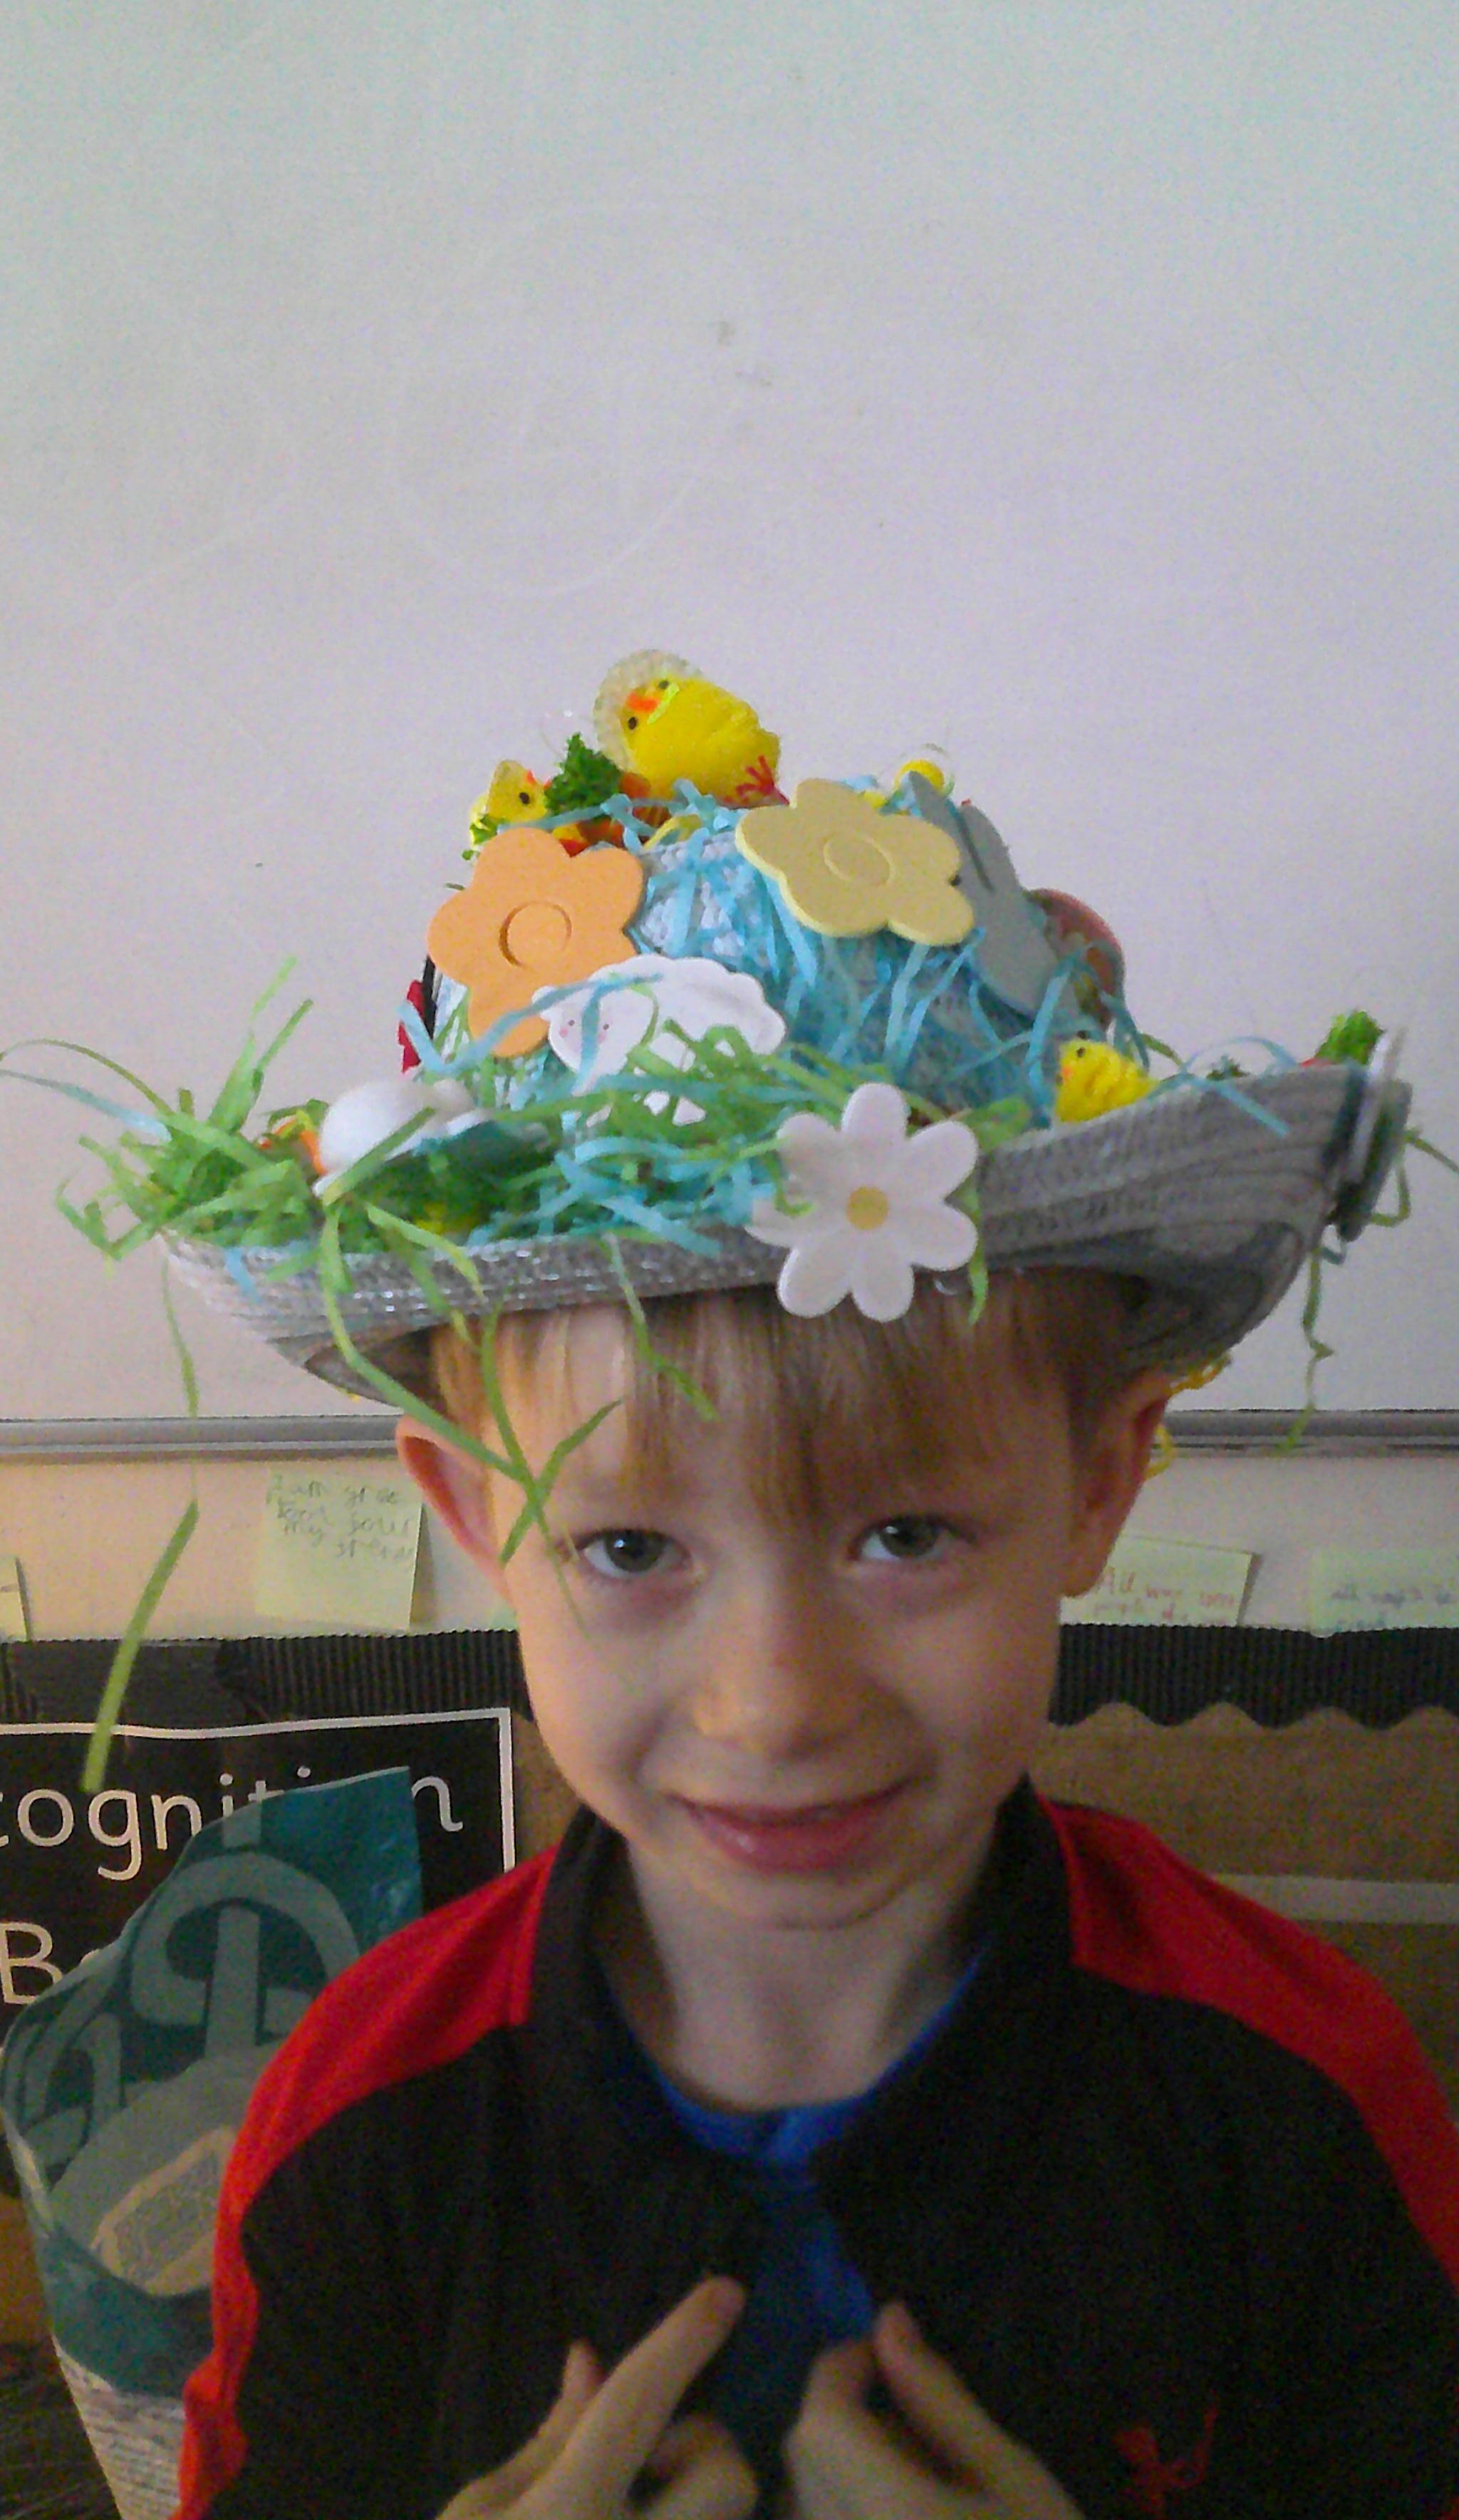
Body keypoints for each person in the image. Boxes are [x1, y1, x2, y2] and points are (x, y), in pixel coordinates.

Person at [150, 655, 1453, 2516]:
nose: (774, 1704)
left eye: (905, 1537)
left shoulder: (1296, 2091)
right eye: (629, 1547)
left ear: (1101, 1484)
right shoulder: (359, 2111)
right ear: (476, 1512)